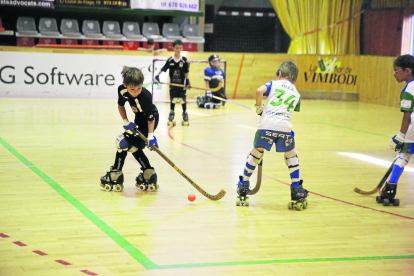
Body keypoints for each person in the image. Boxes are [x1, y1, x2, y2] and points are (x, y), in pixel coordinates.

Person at [236, 60, 308, 209]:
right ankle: (296, 189)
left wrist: (259, 108)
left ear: (279, 74)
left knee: (256, 153)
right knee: (291, 154)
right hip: (285, 127)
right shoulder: (296, 93)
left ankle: (243, 184)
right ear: (294, 78)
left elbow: (259, 91)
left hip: (266, 125)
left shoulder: (273, 84)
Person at [100, 66, 160, 192]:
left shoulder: (146, 96)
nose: (135, 91)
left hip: (149, 121)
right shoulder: (121, 90)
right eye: (132, 89)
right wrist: (126, 121)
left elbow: (151, 118)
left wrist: (151, 135)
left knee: (122, 142)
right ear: (125, 85)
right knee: (132, 146)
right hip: (138, 118)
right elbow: (120, 105)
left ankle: (116, 175)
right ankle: (148, 173)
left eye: (139, 88)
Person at [381, 54, 414, 205]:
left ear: (407, 71)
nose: (394, 74)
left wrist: (401, 136)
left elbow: (407, 115)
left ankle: (390, 187)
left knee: (404, 155)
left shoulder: (408, 90)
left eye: (396, 71)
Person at [153, 40, 191, 126]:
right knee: (172, 100)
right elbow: (163, 68)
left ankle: (184, 114)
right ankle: (171, 115)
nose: (178, 50)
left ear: (182, 48)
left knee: (183, 100)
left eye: (180, 48)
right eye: (177, 48)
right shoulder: (170, 60)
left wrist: (187, 81)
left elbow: (186, 72)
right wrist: (157, 76)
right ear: (173, 48)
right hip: (172, 85)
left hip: (181, 85)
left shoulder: (184, 60)